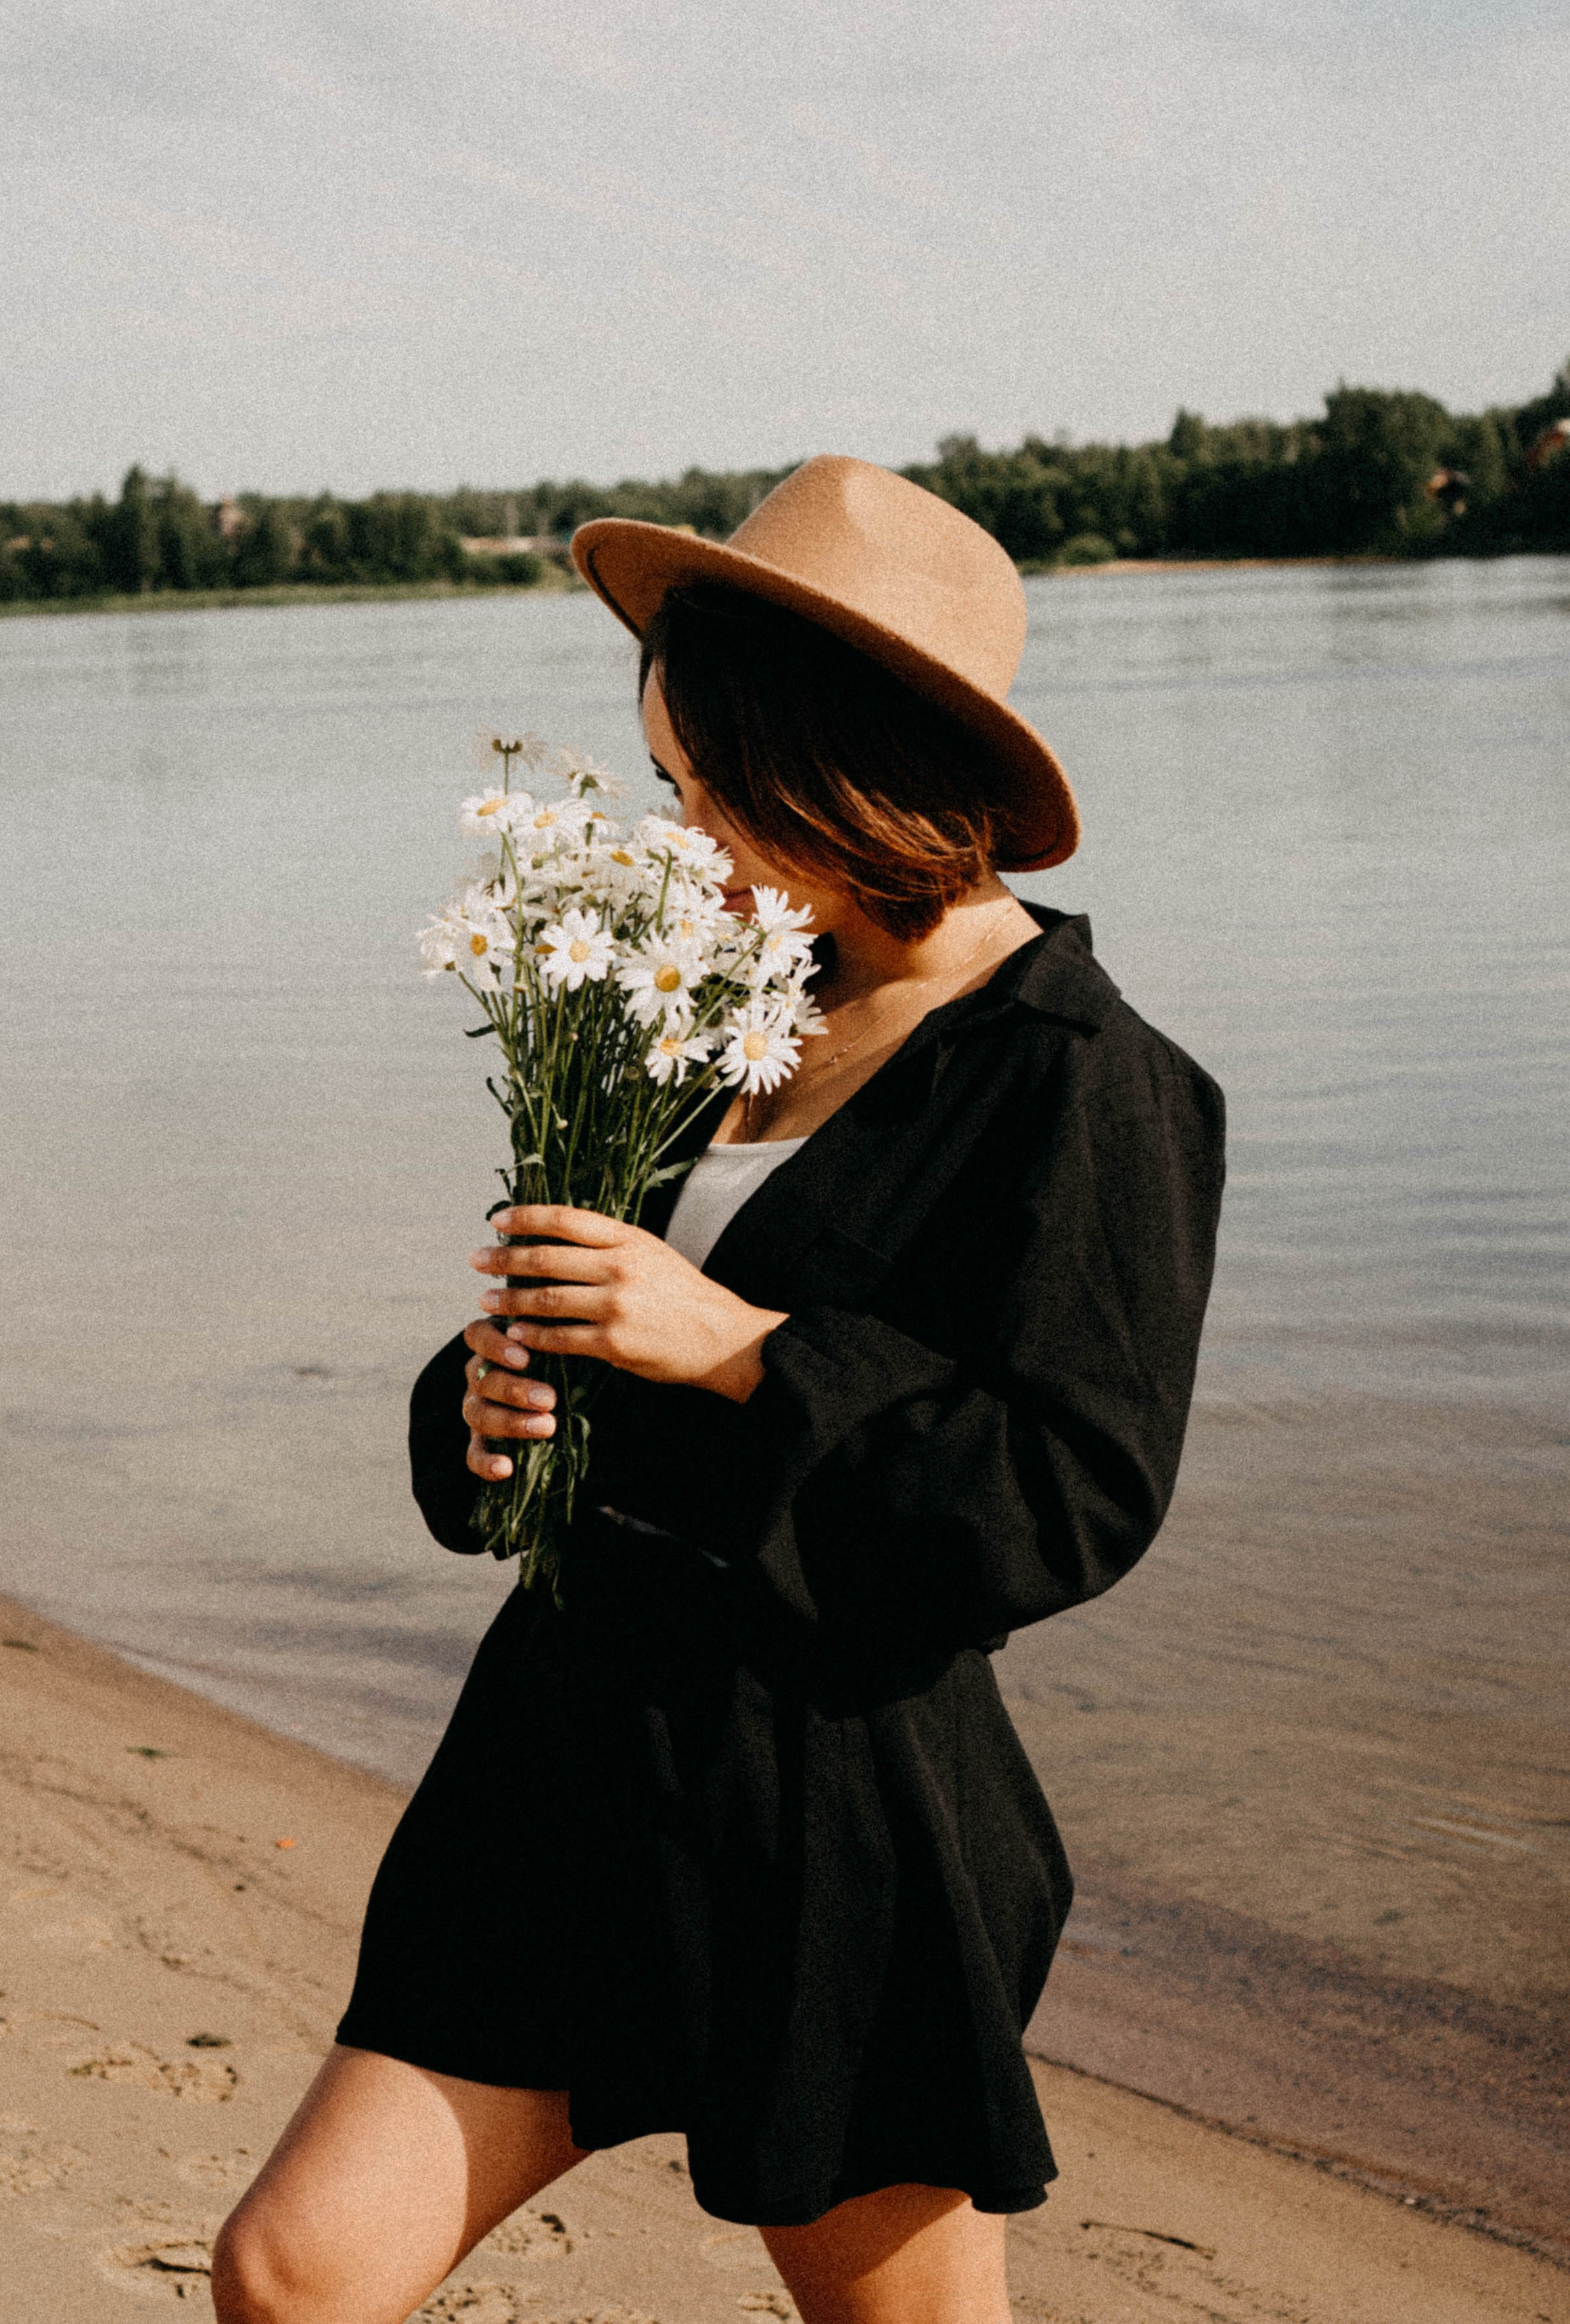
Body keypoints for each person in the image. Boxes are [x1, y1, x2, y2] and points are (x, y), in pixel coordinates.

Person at [212, 457, 1226, 2324]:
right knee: (289, 2276)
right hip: (559, 1751)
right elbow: (593, 1312)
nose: (681, 839)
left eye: (707, 788)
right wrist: (488, 1404)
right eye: (667, 784)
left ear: (839, 764)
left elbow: (1071, 1493)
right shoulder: (701, 1004)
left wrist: (745, 1351)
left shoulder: (1087, 1079)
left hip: (834, 1802)